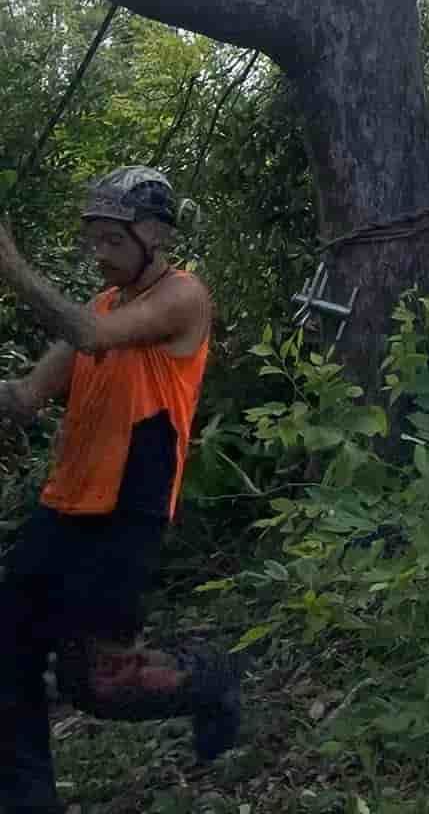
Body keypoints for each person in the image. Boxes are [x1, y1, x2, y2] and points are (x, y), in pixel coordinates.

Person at [0, 167, 239, 813]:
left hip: (126, 511)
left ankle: (210, 681)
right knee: (9, 650)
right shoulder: (104, 305)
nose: (99, 255)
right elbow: (24, 396)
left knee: (98, 683)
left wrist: (13, 267)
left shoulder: (183, 296)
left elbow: (89, 336)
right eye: (94, 240)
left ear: (153, 234)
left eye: (112, 240)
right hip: (63, 505)